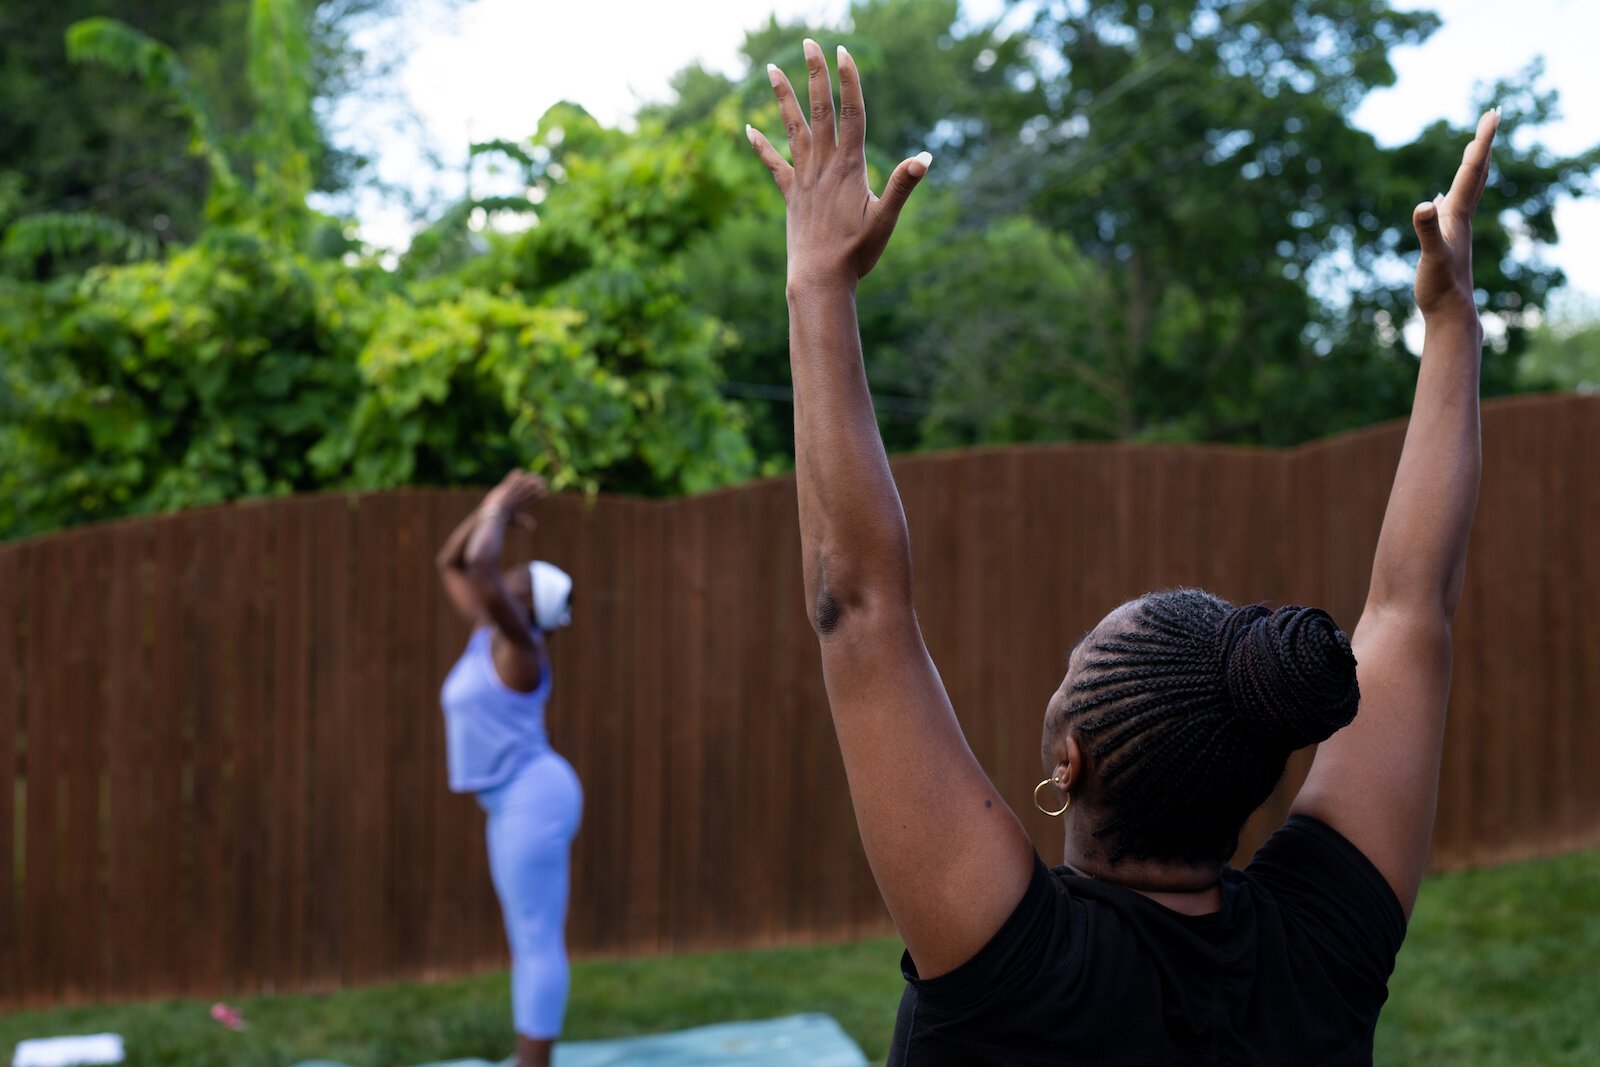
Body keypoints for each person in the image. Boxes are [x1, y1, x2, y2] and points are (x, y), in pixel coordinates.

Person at [746, 39, 1498, 1065]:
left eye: (1072, 669)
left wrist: (817, 285)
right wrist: (1454, 322)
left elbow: (858, 605)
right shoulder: (1320, 942)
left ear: (1069, 761)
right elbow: (1413, 609)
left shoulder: (1014, 967)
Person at [435, 470, 581, 1067]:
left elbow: (484, 569)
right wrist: (485, 507)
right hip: (509, 801)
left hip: (534, 797)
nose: (505, 576)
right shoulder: (486, 634)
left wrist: (496, 510)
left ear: (525, 604)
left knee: (535, 938)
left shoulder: (523, 648)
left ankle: (534, 1063)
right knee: (526, 935)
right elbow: (453, 562)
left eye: (518, 579)